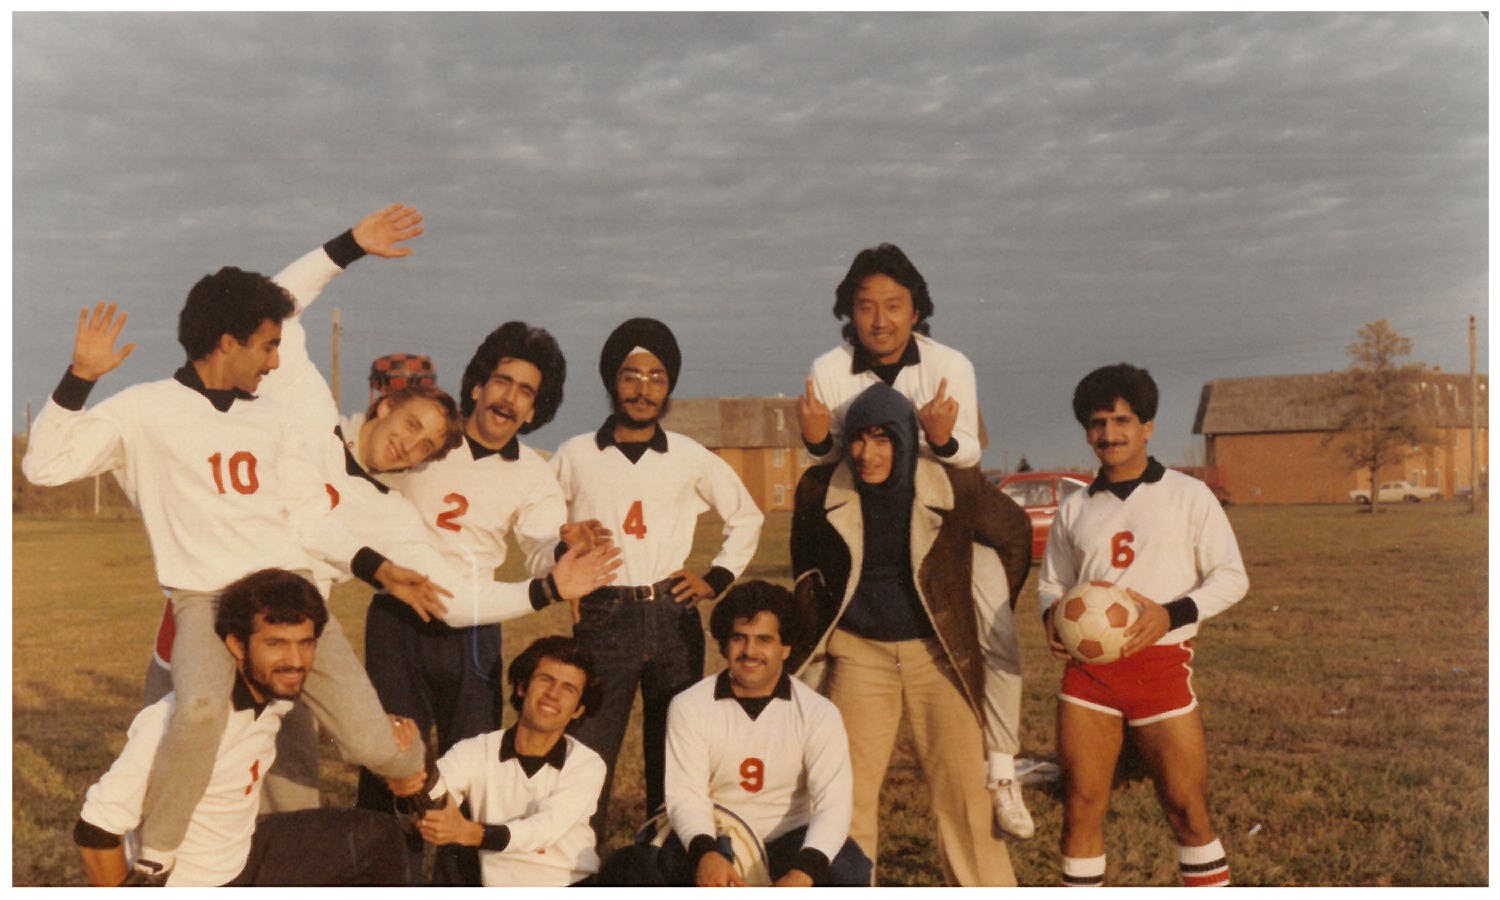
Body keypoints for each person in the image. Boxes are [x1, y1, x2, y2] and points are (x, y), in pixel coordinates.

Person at [23, 249, 440, 882]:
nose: (275, 361)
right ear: (226, 342)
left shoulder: (271, 418)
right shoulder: (144, 409)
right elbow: (44, 467)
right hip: (206, 602)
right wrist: (80, 378)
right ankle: (157, 860)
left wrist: (379, 569)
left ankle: (440, 807)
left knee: (370, 743)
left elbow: (305, 516)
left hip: (290, 597)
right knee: (197, 712)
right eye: (268, 346)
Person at [796, 243, 1033, 836]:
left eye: (894, 305)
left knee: (992, 622)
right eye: (866, 306)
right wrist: (819, 442)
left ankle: (1002, 767)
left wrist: (943, 438)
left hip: (944, 513)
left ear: (916, 309)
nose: (880, 320)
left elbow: (968, 455)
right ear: (849, 312)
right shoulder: (828, 368)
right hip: (871, 521)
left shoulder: (950, 361)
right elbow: (833, 460)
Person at [359, 318, 598, 882]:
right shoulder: (428, 438)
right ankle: (381, 878)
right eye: (502, 381)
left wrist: (563, 548)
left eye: (525, 392)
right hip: (400, 620)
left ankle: (461, 881)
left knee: (473, 769)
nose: (509, 399)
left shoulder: (534, 477)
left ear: (534, 411)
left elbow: (541, 552)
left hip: (473, 632)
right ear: (475, 386)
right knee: (392, 761)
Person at [791, 382, 1031, 886]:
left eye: (883, 439)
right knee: (845, 795)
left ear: (904, 440)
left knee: (967, 796)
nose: (867, 453)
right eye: (858, 438)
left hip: (935, 652)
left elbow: (1014, 534)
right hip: (860, 654)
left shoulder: (951, 484)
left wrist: (977, 604)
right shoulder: (819, 488)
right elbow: (806, 570)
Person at [551, 317, 764, 842]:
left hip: (672, 614)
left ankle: (663, 866)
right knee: (588, 753)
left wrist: (715, 577)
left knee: (674, 754)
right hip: (604, 615)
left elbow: (747, 517)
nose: (643, 389)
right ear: (611, 381)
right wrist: (564, 554)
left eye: (656, 377)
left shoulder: (689, 455)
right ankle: (580, 868)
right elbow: (537, 525)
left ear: (669, 387)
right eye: (630, 375)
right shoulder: (576, 454)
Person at [1039, 363, 1248, 887]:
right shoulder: (1075, 508)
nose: (1108, 434)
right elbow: (1051, 583)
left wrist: (1170, 615)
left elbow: (1231, 577)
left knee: (1185, 810)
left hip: (1162, 672)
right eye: (1096, 424)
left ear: (1147, 427)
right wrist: (1052, 618)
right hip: (1090, 678)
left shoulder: (1187, 495)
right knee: (1082, 808)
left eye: (1121, 420)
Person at [74, 568, 415, 886]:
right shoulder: (174, 722)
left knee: (377, 835)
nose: (295, 661)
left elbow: (340, 714)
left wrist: (381, 725)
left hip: (244, 859)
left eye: (305, 643)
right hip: (193, 882)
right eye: (275, 644)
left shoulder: (273, 694)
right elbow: (95, 832)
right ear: (236, 645)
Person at [602, 580, 870, 887]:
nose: (750, 651)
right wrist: (706, 852)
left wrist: (803, 874)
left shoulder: (817, 712)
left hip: (788, 838)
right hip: (718, 831)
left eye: (764, 640)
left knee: (848, 870)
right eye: (739, 638)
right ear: (724, 643)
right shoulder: (690, 704)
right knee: (633, 868)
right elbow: (686, 795)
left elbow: (832, 805)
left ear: (785, 647)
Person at [394, 636, 608, 887]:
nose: (553, 694)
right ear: (521, 687)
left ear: (578, 709)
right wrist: (412, 787)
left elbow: (544, 828)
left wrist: (470, 832)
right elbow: (437, 792)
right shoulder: (476, 750)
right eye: (545, 680)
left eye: (568, 689)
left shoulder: (587, 764)